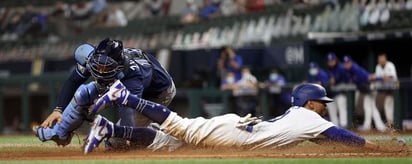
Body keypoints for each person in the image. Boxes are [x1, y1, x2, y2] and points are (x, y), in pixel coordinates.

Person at [83, 80, 406, 154]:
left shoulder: (299, 115)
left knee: (170, 143)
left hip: (238, 128)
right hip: (237, 133)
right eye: (321, 101)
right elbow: (343, 137)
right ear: (310, 104)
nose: (324, 106)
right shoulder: (312, 119)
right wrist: (377, 148)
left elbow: (329, 139)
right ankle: (123, 95)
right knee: (178, 125)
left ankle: (109, 127)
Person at [33, 38, 176, 148]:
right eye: (98, 65)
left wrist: (105, 129)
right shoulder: (95, 59)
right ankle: (60, 133)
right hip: (120, 83)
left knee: (118, 144)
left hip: (157, 93)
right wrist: (58, 109)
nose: (100, 70)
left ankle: (159, 133)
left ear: (118, 66)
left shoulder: (134, 79)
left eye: (105, 67)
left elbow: (127, 118)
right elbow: (73, 81)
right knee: (84, 93)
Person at [343, 55, 387, 132]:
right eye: (345, 63)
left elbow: (368, 77)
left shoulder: (355, 68)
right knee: (370, 107)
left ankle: (372, 126)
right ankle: (378, 127)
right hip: (366, 89)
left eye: (348, 63)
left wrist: (380, 78)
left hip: (370, 87)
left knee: (370, 107)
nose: (347, 64)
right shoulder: (349, 70)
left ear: (351, 62)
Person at [369, 52, 398, 126]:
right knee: (381, 107)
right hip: (383, 91)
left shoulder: (390, 65)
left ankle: (393, 127)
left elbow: (390, 77)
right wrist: (374, 77)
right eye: (380, 59)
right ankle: (389, 126)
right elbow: (377, 77)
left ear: (385, 59)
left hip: (394, 91)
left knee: (390, 108)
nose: (381, 60)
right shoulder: (378, 66)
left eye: (382, 58)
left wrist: (378, 77)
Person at [326, 52, 351, 128]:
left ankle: (344, 126)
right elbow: (329, 81)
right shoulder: (329, 70)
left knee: (342, 107)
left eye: (332, 60)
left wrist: (335, 80)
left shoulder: (341, 68)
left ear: (335, 60)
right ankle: (335, 128)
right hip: (332, 94)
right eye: (329, 61)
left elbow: (347, 79)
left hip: (342, 93)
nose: (331, 62)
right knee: (332, 110)